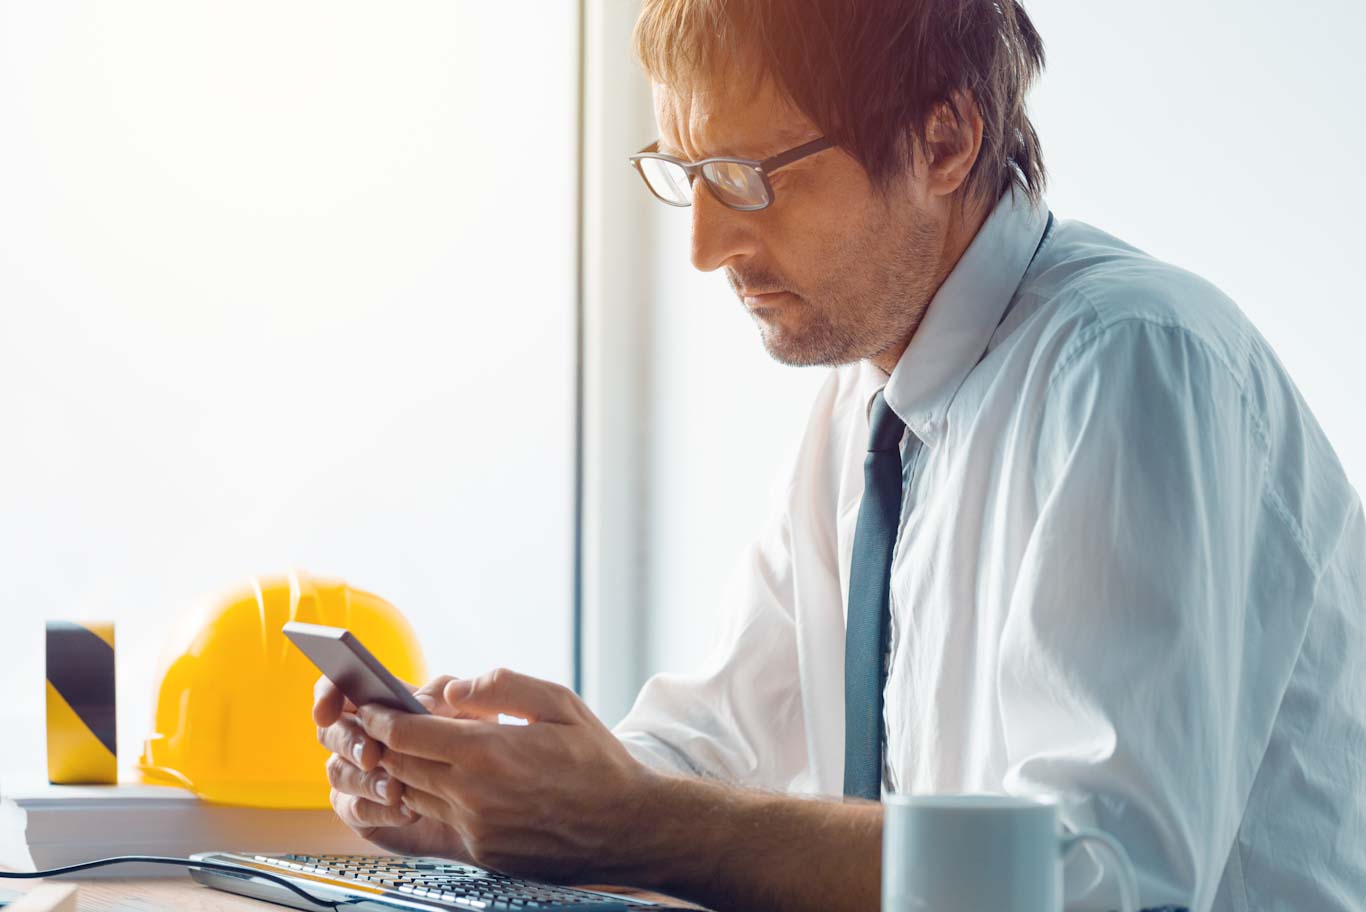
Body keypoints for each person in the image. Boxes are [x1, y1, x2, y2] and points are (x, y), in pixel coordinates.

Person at [313, 1, 1366, 909]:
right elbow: (719, 747)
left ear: (944, 140)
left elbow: (1096, 883)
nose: (705, 247)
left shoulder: (1129, 366)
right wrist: (486, 797)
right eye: (689, 175)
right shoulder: (866, 413)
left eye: (747, 177)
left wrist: (624, 822)